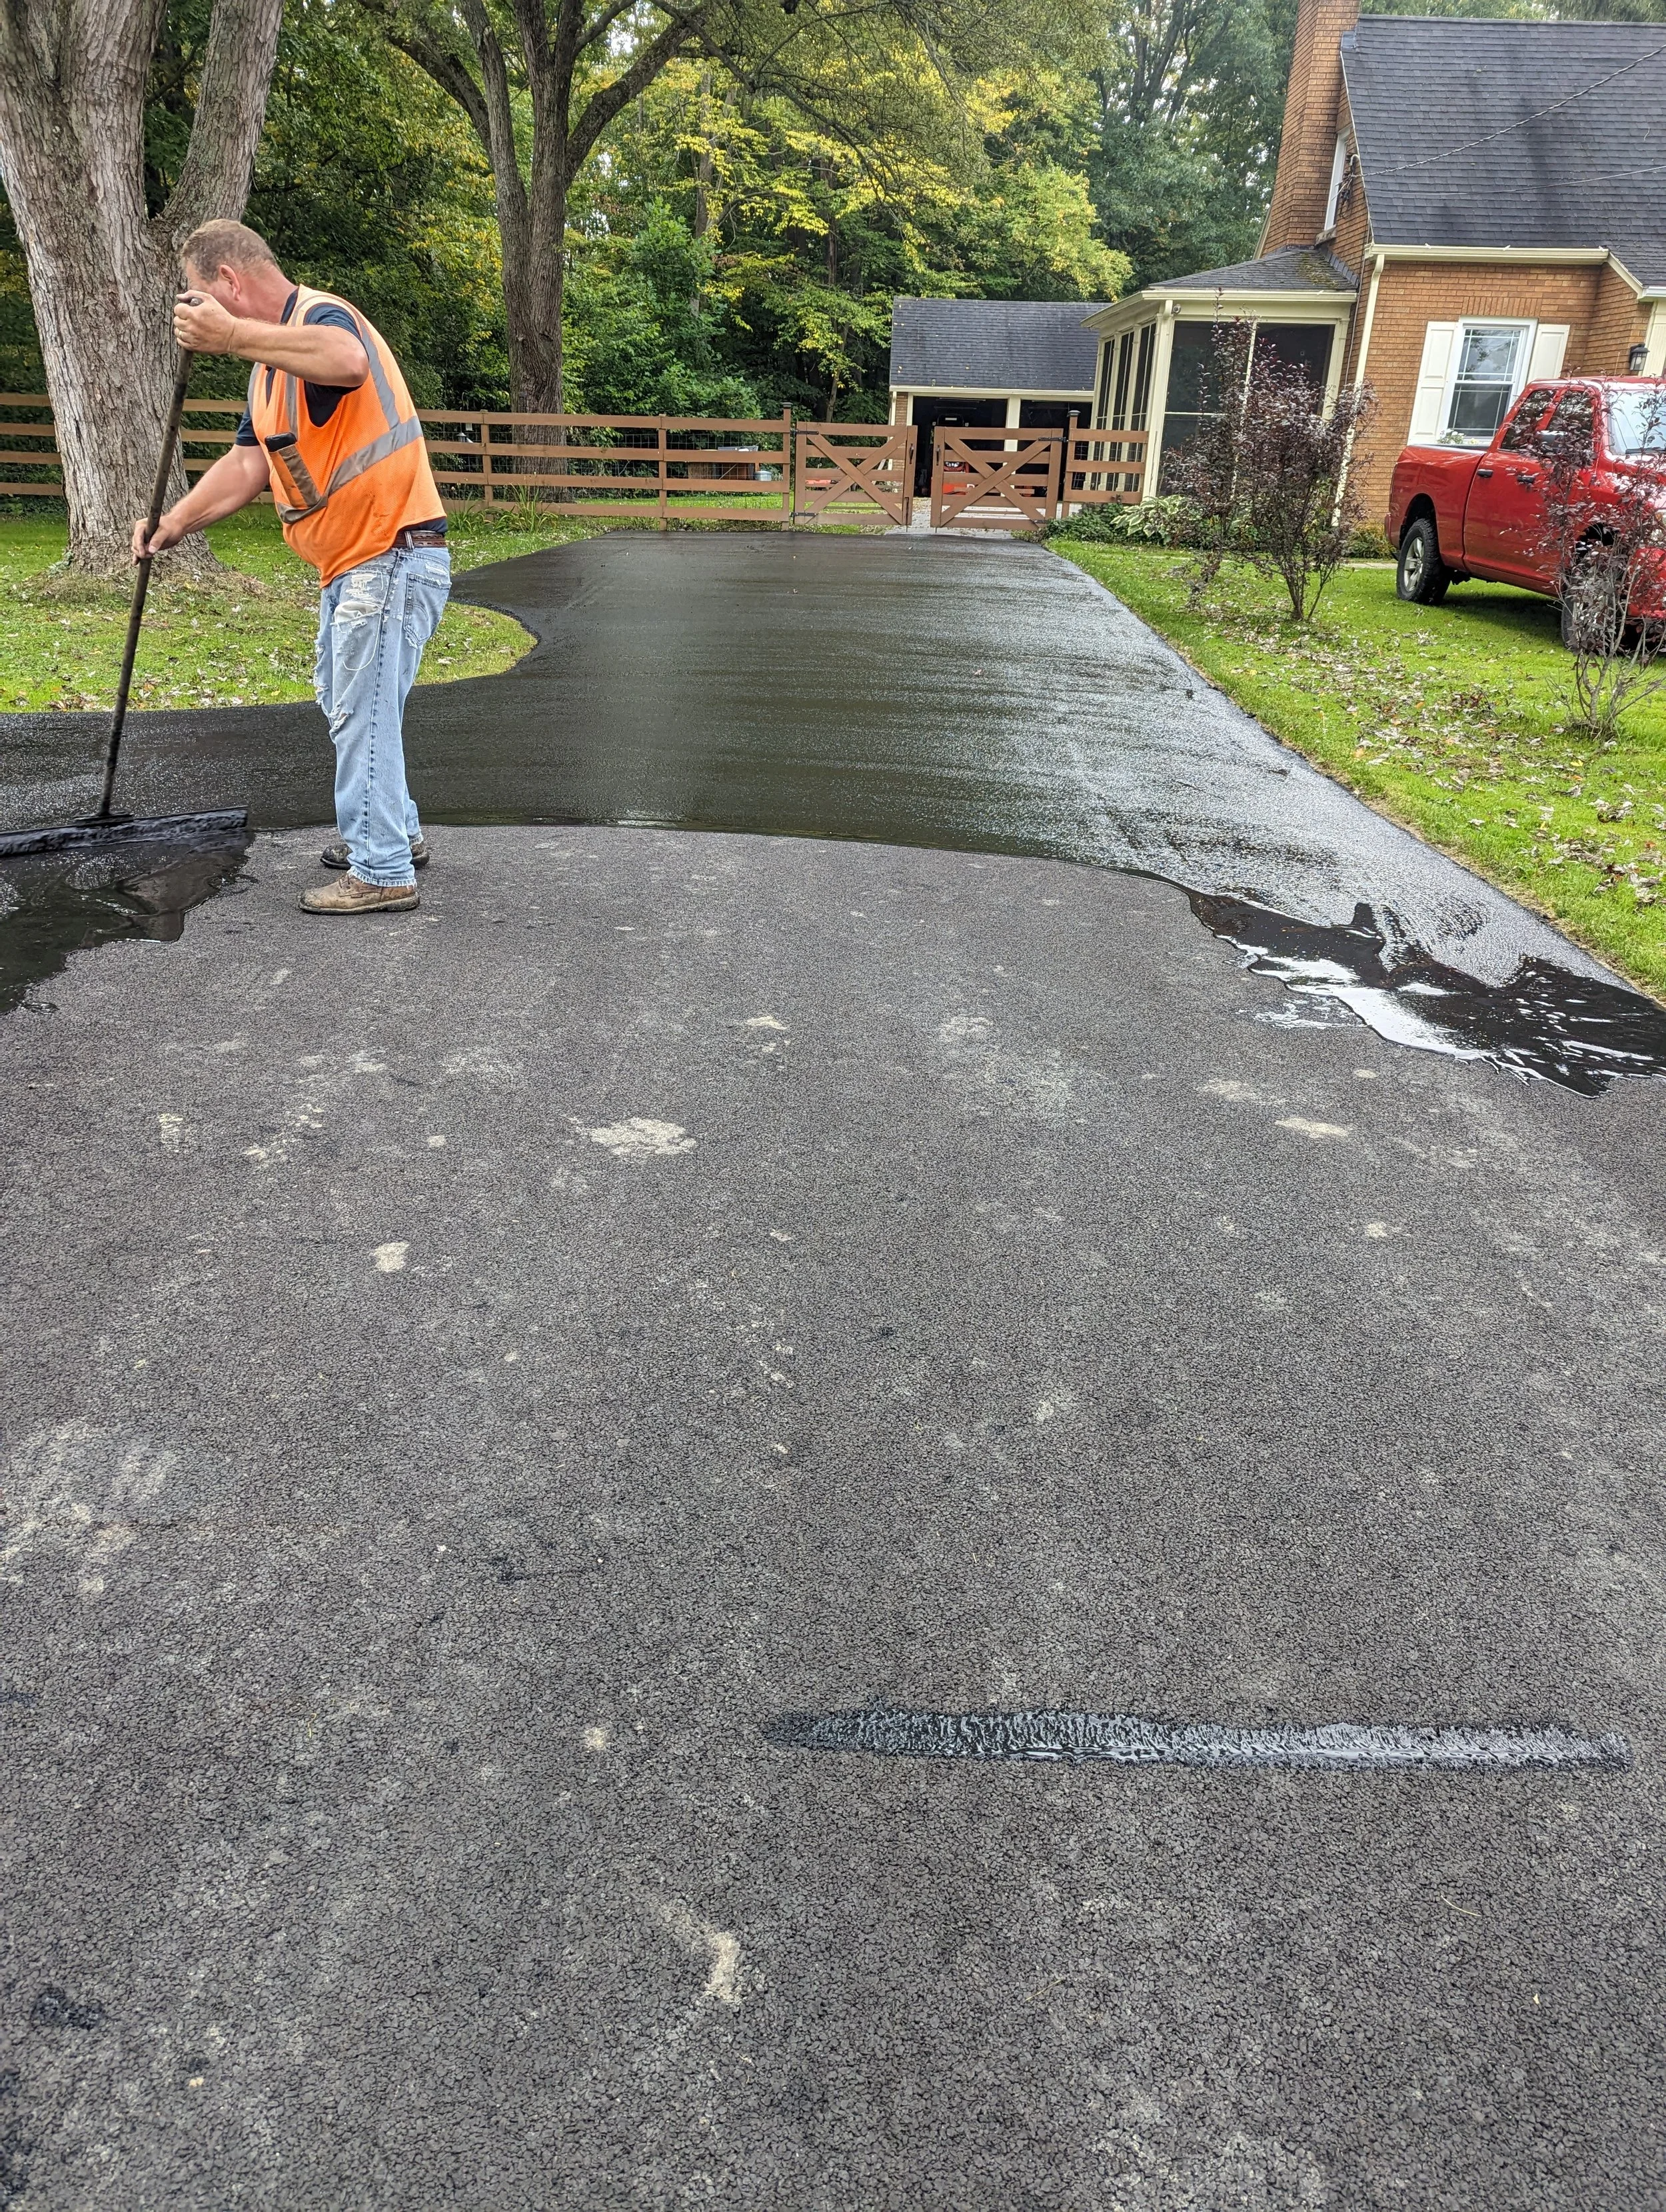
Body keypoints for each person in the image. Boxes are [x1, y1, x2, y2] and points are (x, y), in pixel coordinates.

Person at [133, 219, 448, 915]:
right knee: (351, 706)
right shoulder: (270, 371)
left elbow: (348, 361)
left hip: (389, 551)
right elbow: (247, 466)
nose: (198, 310)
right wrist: (173, 523)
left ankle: (383, 868)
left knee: (361, 714)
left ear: (227, 280)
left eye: (198, 294)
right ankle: (395, 832)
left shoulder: (321, 318)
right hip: (354, 562)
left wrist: (232, 336)